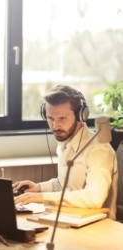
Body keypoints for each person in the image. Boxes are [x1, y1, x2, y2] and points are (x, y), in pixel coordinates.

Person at [13, 85, 118, 220]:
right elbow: (65, 185)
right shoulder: (65, 144)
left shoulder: (98, 149)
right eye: (50, 118)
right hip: (69, 218)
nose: (55, 126)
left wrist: (41, 197)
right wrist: (38, 188)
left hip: (98, 227)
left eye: (62, 118)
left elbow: (94, 198)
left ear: (81, 115)